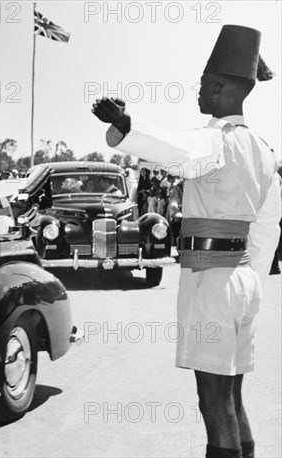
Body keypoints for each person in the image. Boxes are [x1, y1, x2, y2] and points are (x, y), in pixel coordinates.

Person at [92, 25, 280, 458]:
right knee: (232, 397)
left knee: (213, 403)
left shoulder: (216, 140)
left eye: (200, 86)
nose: (197, 92)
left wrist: (125, 122)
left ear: (216, 89)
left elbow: (174, 146)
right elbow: (269, 226)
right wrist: (251, 283)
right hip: (243, 280)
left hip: (212, 283)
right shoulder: (263, 150)